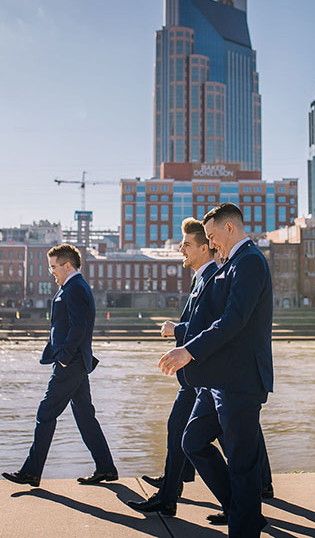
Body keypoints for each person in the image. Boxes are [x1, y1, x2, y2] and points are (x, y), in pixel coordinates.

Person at [158, 203, 273, 538]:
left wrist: (188, 351)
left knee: (242, 463)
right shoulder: (232, 263)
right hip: (218, 379)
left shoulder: (249, 262)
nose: (211, 243)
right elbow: (212, 319)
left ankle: (244, 526)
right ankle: (241, 511)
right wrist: (186, 340)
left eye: (212, 236)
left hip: (240, 379)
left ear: (230, 229)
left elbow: (234, 321)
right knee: (192, 441)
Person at [1, 244, 117, 488]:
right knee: (85, 417)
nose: (50, 271)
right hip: (75, 362)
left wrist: (63, 358)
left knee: (46, 412)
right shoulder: (73, 287)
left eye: (53, 266)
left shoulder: (75, 288)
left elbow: (78, 327)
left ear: (67, 265)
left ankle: (31, 472)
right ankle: (106, 467)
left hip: (71, 363)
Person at [126, 218, 218, 517]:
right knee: (184, 431)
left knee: (195, 435)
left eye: (187, 244)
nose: (181, 249)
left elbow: (209, 327)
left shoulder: (213, 277)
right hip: (196, 373)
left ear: (205, 248)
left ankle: (245, 502)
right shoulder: (201, 277)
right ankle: (171, 489)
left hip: (202, 373)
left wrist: (178, 331)